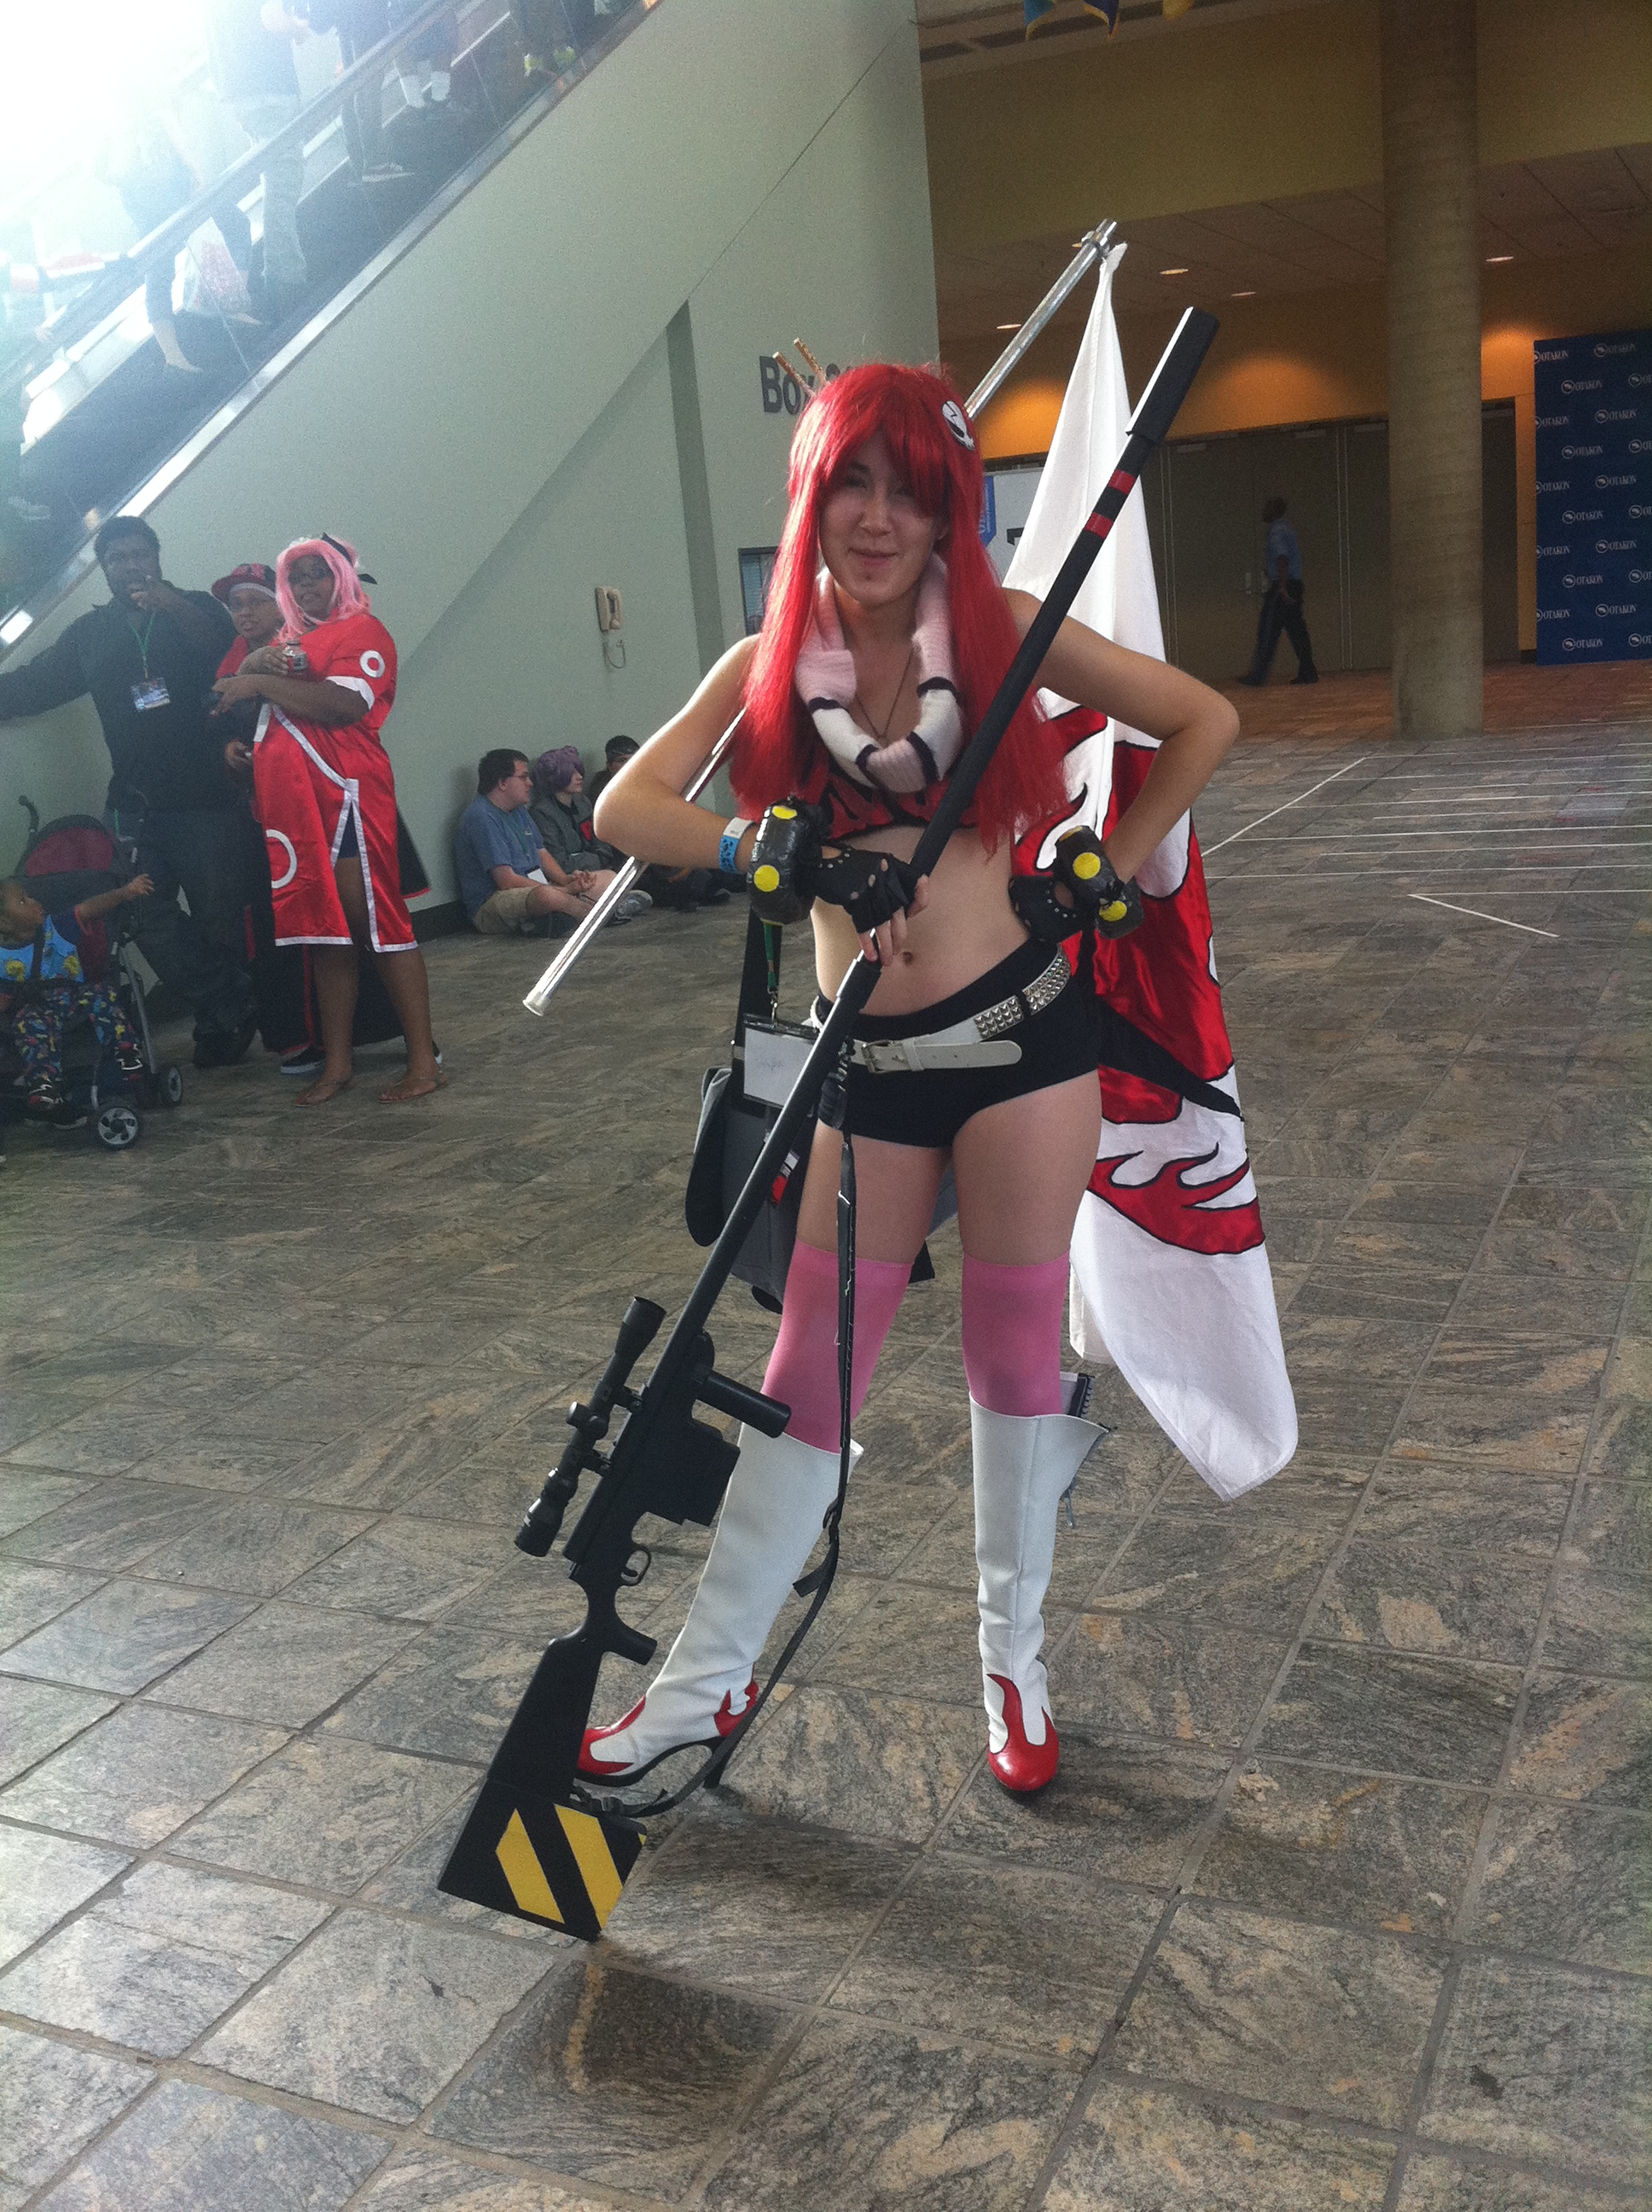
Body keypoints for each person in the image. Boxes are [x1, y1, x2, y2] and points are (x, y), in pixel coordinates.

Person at [585, 363, 1236, 1796]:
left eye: (911, 491)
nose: (877, 518)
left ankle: (1014, 1667)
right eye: (852, 484)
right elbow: (625, 806)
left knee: (1013, 1368)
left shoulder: (1007, 638)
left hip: (1023, 1057)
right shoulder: (768, 664)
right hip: (863, 1069)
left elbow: (1204, 719)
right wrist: (780, 854)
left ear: (950, 512)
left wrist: (1098, 872)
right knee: (804, 1380)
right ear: (814, 497)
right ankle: (701, 1685)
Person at [0, 516, 259, 1068]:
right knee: (136, 911)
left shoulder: (196, 608)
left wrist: (173, 606)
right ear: (104, 568)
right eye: (117, 559)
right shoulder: (91, 633)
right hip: (133, 805)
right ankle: (227, 1000)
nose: (131, 566)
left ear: (157, 558)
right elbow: (35, 685)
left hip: (206, 795)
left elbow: (227, 650)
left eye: (140, 554)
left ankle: (224, 1020)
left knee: (218, 916)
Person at [211, 534, 441, 1104]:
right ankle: (337, 1065)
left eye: (318, 573)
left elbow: (345, 706)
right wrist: (255, 674)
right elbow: (228, 689)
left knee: (379, 931)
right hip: (295, 812)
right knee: (325, 937)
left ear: (342, 577)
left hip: (347, 801)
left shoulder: (363, 631)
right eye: (296, 577)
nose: (307, 585)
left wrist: (260, 680)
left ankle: (423, 1060)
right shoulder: (289, 640)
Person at [0, 871, 153, 1121]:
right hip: (40, 1010)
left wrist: (124, 893)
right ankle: (43, 1082)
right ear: (5, 923)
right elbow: (4, 999)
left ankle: (125, 1049)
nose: (34, 901)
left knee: (101, 993)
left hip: (75, 997)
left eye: (29, 896)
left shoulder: (57, 927)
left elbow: (88, 908)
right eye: (23, 901)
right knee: (24, 1021)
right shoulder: (2, 959)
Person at [455, 750, 645, 934]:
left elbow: (541, 852)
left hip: (537, 885)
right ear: (502, 783)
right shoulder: (482, 817)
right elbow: (507, 881)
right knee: (547, 896)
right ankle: (600, 915)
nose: (530, 783)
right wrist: (562, 890)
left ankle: (563, 915)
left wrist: (567, 880)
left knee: (609, 877)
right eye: (523, 777)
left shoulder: (518, 810)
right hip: (494, 900)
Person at [203, 0, 310, 321]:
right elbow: (272, 17)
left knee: (274, 180)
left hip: (239, 94)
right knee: (284, 183)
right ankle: (285, 277)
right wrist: (300, 28)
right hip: (270, 88)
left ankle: (280, 275)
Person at [1242, 495, 1318, 687]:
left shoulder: (1276, 530)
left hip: (1283, 587)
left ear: (1273, 510)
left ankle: (1257, 676)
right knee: (1297, 630)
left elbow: (1282, 557)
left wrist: (1282, 587)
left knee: (1268, 629)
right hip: (1295, 584)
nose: (1263, 511)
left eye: (1267, 508)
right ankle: (1308, 672)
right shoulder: (1288, 528)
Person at [585, 733, 637, 805]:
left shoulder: (647, 784)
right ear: (610, 766)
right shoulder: (602, 794)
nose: (629, 765)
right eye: (622, 761)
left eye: (634, 760)